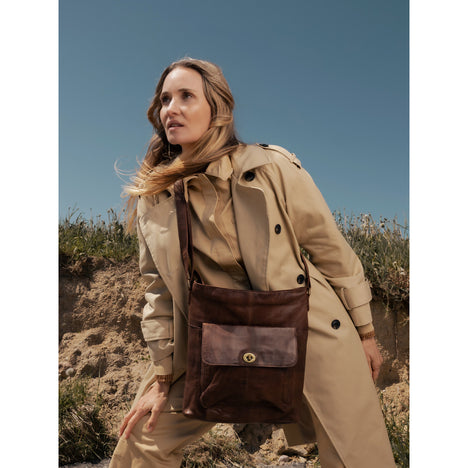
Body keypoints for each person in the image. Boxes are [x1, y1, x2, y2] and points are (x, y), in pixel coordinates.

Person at [109, 57, 396, 468]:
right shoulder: (154, 198)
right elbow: (159, 294)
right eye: (165, 99)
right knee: (142, 438)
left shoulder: (271, 167)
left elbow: (330, 249)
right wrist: (161, 377)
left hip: (305, 330)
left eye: (186, 96)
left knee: (358, 457)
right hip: (209, 338)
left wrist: (366, 333)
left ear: (217, 108)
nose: (171, 108)